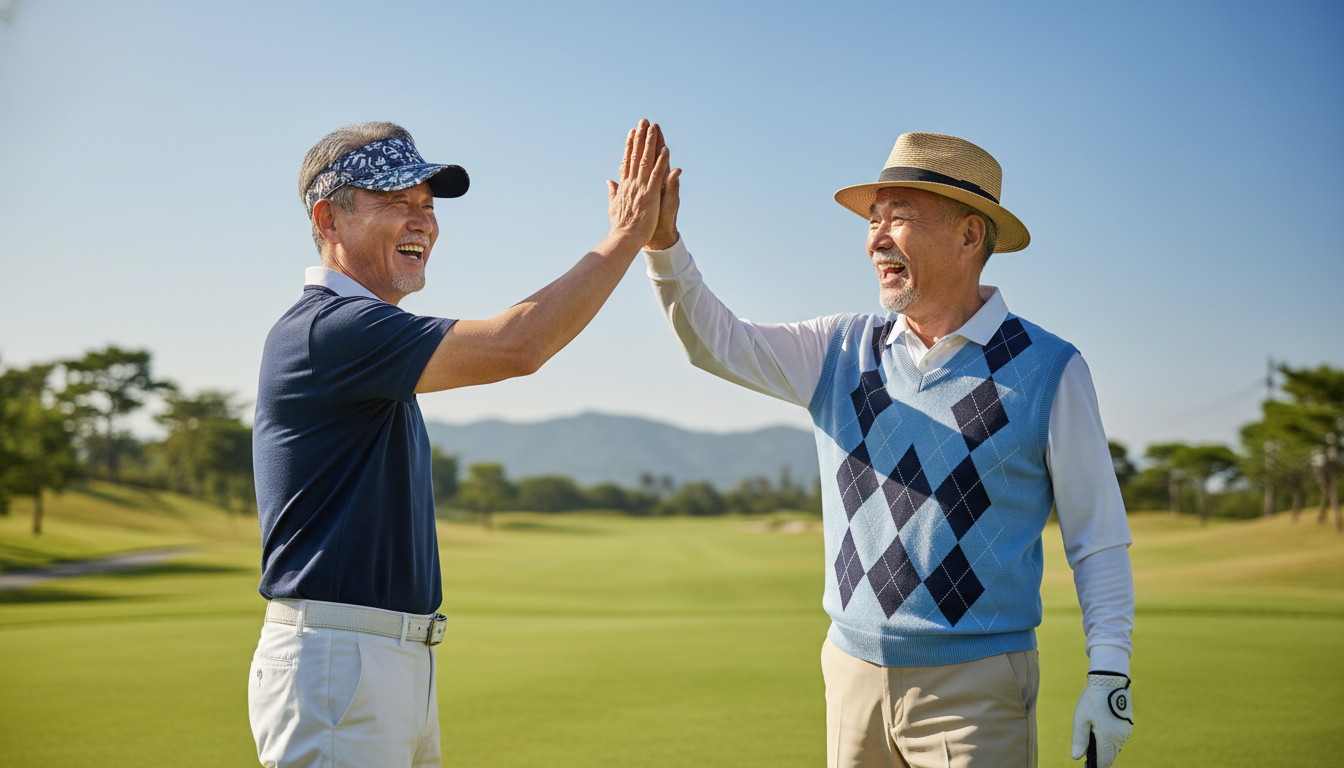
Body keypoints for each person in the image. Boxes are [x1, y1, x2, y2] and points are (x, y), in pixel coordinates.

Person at [642, 132, 1135, 768]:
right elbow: (715, 343)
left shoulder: (1049, 369)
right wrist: (663, 246)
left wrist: (1109, 676)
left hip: (976, 685)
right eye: (874, 219)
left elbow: (1096, 535)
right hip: (850, 671)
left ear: (969, 236)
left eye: (898, 217)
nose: (875, 238)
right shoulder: (840, 347)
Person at [248, 119, 670, 768]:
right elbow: (516, 345)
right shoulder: (331, 331)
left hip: (388, 660)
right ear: (330, 220)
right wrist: (625, 237)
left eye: (427, 205)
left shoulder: (366, 336)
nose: (422, 221)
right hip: (340, 660)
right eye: (395, 202)